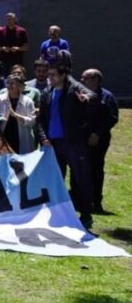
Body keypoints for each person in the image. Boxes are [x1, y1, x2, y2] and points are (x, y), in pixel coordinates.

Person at [38, 63, 95, 230]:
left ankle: (85, 215)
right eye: (49, 74)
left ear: (63, 75)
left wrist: (87, 99)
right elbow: (41, 120)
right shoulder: (47, 92)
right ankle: (58, 213)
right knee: (56, 180)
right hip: (53, 144)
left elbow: (91, 94)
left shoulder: (73, 88)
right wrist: (43, 138)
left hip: (73, 143)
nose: (50, 77)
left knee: (81, 178)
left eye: (54, 74)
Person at [80, 68, 118, 214]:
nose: (82, 80)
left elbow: (113, 117)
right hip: (81, 139)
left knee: (96, 169)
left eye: (85, 77)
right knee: (81, 169)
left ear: (95, 79)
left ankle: (96, 202)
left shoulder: (107, 97)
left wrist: (97, 133)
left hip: (99, 140)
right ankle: (80, 200)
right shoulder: (80, 94)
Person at [0, 75, 40, 154]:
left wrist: (16, 116)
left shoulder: (27, 101)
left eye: (13, 83)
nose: (9, 85)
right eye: (8, 83)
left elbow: (32, 121)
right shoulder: (0, 99)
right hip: (5, 136)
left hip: (22, 137)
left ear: (20, 86)